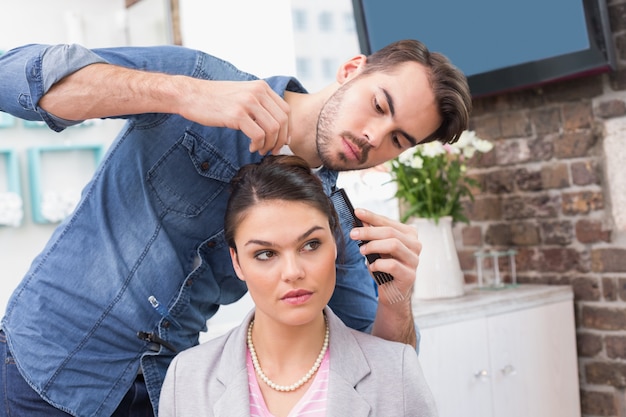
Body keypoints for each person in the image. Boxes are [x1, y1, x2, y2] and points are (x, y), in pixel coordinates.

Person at [0, 39, 470, 417]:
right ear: (351, 70)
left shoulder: (335, 227)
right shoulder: (202, 80)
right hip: (39, 365)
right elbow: (14, 76)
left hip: (161, 395)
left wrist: (397, 300)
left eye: (398, 139)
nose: (373, 136)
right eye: (378, 105)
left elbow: (379, 374)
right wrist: (179, 93)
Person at [159, 154, 438, 417]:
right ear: (237, 263)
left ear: (336, 246)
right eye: (265, 254)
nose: (293, 272)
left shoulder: (396, 370)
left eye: (311, 245)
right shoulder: (186, 377)